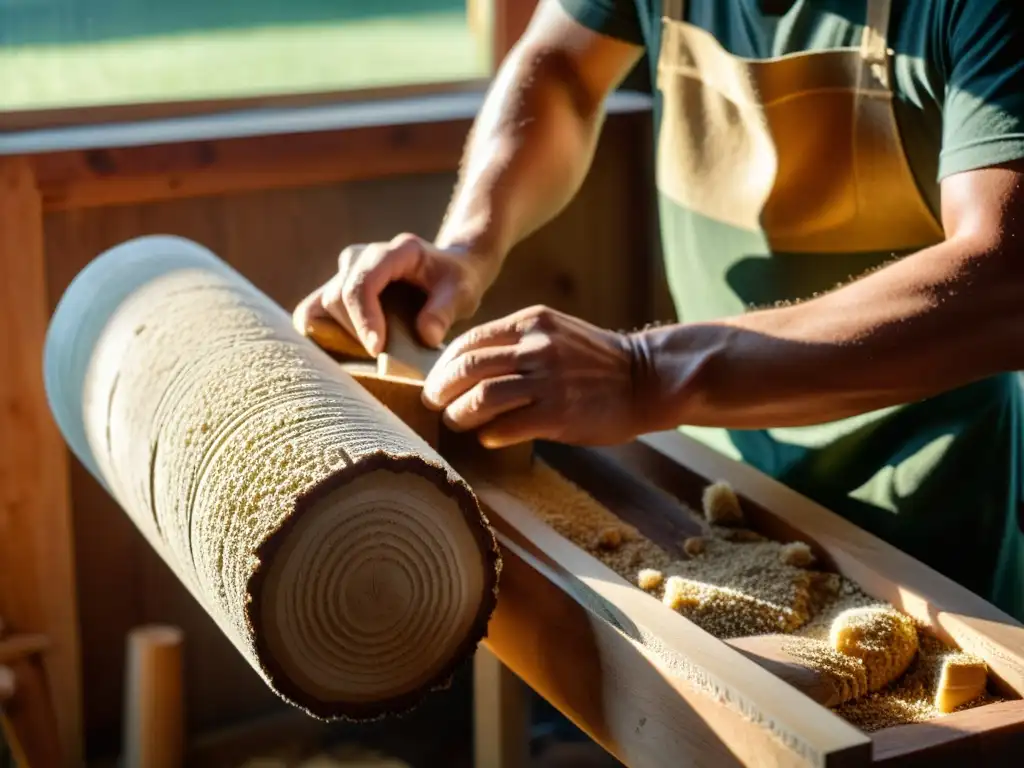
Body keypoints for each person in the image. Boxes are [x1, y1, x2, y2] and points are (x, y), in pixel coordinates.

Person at [296, 0, 1024, 630]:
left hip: (934, 502)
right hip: (709, 474)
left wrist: (648, 373)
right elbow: (560, 68)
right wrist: (465, 248)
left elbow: (1004, 276)